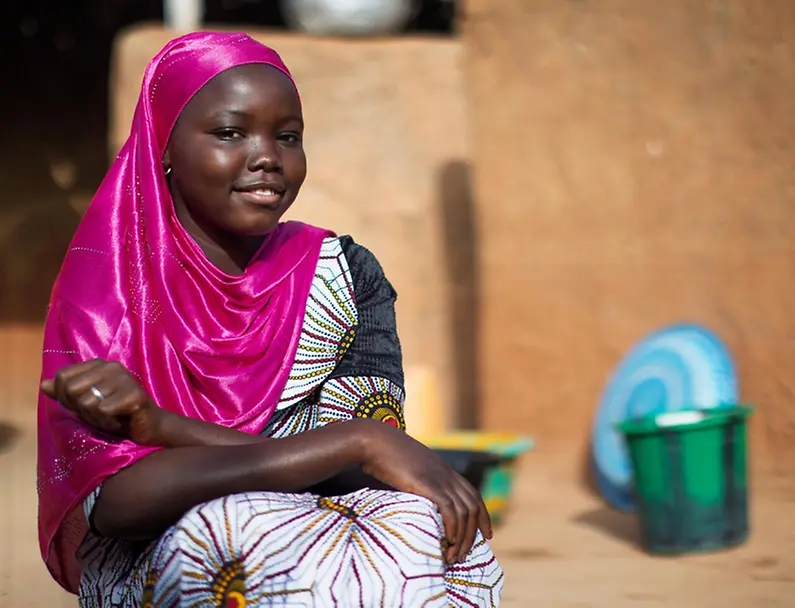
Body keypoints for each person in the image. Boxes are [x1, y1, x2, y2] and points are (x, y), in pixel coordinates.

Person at [36, 31, 504, 607]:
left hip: (329, 527)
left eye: (288, 137)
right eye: (230, 133)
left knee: (427, 529)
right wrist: (357, 440)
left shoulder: (340, 274)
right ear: (164, 146)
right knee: (240, 528)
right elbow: (120, 505)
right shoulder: (108, 289)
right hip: (165, 553)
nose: (267, 157)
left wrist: (166, 429)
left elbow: (368, 474)